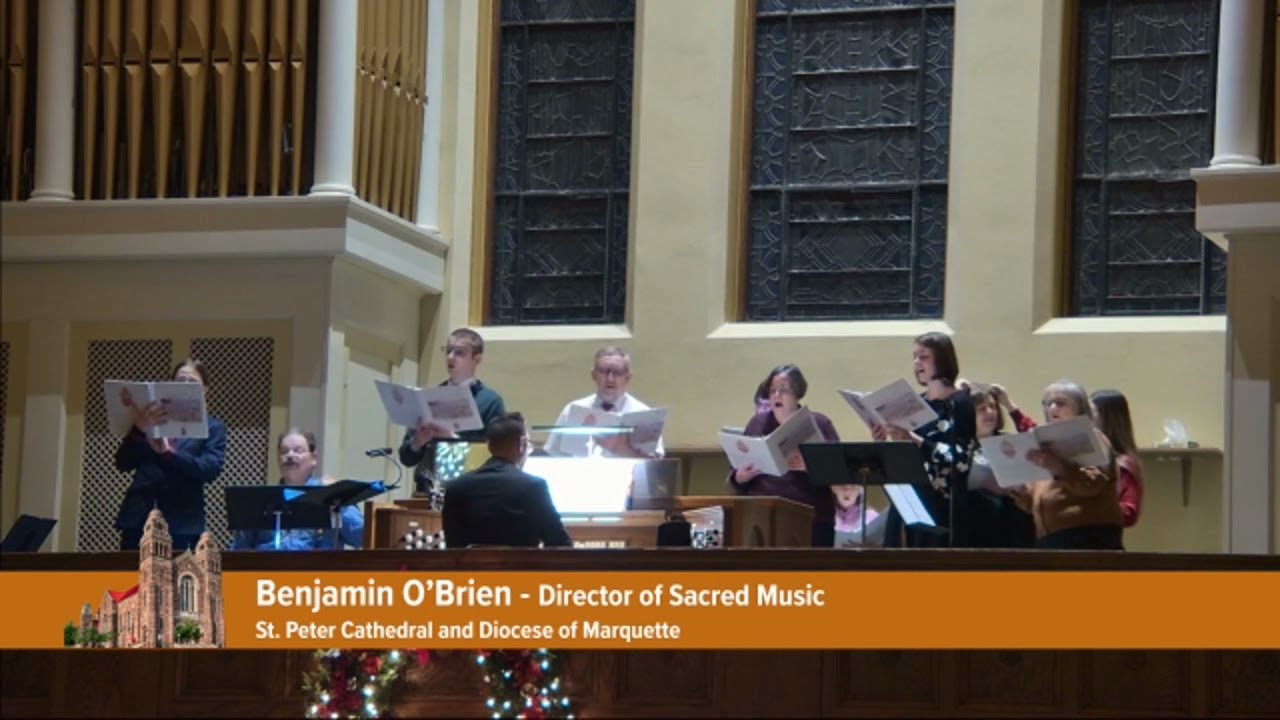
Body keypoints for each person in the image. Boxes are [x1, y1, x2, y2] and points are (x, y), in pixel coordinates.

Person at [873, 332, 977, 547]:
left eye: (924, 356)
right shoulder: (914, 403)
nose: (917, 362)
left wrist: (916, 441)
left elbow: (960, 460)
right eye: (914, 357)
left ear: (942, 359)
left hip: (941, 506)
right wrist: (883, 440)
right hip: (908, 501)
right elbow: (903, 456)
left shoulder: (959, 403)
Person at [114, 359, 227, 552]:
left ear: (205, 390)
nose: (185, 387)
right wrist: (139, 429)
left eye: (192, 383)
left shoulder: (212, 427)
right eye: (179, 382)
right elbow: (122, 463)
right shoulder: (149, 420)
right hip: (139, 519)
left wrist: (170, 454)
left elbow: (209, 469)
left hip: (183, 522)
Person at [726, 364, 839, 547]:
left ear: (797, 393)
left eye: (783, 390)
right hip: (762, 518)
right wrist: (740, 477)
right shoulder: (757, 424)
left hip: (812, 519)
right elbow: (734, 477)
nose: (776, 395)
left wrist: (811, 465)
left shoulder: (819, 423)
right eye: (772, 391)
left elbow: (839, 472)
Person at [1009, 380, 1125, 550]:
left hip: (1089, 537)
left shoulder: (1092, 437)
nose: (1052, 408)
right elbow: (1034, 503)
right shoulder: (1043, 442)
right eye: (1048, 403)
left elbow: (1092, 484)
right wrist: (1019, 490)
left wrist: (1058, 467)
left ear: (1080, 407)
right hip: (1050, 539)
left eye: (1060, 403)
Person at [398, 328, 507, 490]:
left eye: (459, 352)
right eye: (448, 351)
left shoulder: (490, 401)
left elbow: (496, 455)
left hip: (472, 490)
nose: (450, 357)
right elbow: (406, 459)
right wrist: (418, 441)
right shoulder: (428, 398)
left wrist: (452, 438)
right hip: (427, 489)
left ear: (477, 359)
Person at [442, 412, 572, 548]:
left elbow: (452, 547)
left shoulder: (456, 487)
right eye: (529, 444)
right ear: (522, 444)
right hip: (520, 562)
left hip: (471, 563)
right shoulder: (534, 486)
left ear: (489, 445)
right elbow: (559, 543)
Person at [231, 429, 364, 551]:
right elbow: (240, 548)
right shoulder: (261, 499)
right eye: (284, 451)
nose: (290, 455)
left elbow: (361, 538)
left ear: (314, 458)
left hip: (318, 568)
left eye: (298, 451)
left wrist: (339, 499)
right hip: (268, 568)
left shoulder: (329, 493)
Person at [544, 346, 665, 458]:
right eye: (603, 371)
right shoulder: (573, 410)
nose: (610, 379)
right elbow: (553, 454)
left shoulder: (643, 413)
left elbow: (654, 460)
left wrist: (623, 449)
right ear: (593, 375)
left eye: (617, 372)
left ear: (627, 378)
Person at [964, 383, 1036, 548]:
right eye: (982, 408)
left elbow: (1038, 440)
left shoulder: (1010, 441)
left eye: (993, 407)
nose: (990, 412)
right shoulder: (960, 446)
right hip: (975, 523)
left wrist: (1009, 405)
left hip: (1013, 519)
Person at [1091, 389, 1144, 528]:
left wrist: (1088, 508)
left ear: (1108, 419)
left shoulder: (1123, 464)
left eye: (1091, 412)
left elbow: (1129, 513)